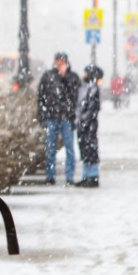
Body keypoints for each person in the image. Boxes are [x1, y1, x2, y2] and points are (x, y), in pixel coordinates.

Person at [37, 52, 81, 185]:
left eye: (62, 61)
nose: (60, 64)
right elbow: (41, 97)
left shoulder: (72, 77)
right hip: (52, 116)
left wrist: (65, 78)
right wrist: (42, 116)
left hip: (67, 117)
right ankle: (50, 176)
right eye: (58, 61)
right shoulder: (48, 76)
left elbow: (75, 95)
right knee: (50, 148)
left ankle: (69, 177)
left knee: (69, 148)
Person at [76, 64, 103, 188]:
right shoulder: (86, 87)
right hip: (84, 124)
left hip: (89, 124)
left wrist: (84, 120)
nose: (84, 75)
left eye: (86, 73)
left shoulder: (93, 89)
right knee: (85, 149)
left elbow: (92, 108)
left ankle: (92, 176)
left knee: (90, 149)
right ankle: (87, 175)